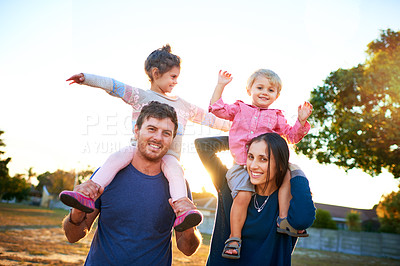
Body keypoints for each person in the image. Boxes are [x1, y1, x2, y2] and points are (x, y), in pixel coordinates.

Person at [59, 44, 230, 232]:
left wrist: (240, 127)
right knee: (116, 158)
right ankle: (89, 192)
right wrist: (86, 78)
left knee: (175, 171)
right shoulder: (140, 96)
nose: (175, 82)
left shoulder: (184, 106)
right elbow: (114, 85)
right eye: (173, 77)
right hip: (136, 152)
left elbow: (211, 120)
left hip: (169, 155)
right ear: (156, 73)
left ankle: (182, 208)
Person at [62, 101, 202, 265]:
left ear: (171, 139)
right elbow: (73, 236)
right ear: (136, 130)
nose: (157, 137)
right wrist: (77, 212)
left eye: (166, 133)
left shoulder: (178, 187)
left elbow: (187, 249)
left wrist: (189, 225)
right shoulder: (107, 175)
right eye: (152, 129)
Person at [208, 70, 313, 259]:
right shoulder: (240, 109)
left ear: (277, 96)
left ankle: (283, 220)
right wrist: (221, 85)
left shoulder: (276, 116)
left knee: (286, 177)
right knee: (244, 195)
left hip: (266, 167)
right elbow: (217, 108)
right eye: (260, 87)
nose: (265, 92)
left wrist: (301, 121)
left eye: (271, 90)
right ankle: (234, 238)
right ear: (249, 89)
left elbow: (291, 136)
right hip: (242, 165)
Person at [195, 134, 315, 265]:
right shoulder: (232, 186)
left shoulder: (287, 200)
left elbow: (302, 221)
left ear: (281, 165)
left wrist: (297, 171)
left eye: (263, 159)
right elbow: (203, 145)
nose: (253, 166)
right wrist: (243, 137)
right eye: (250, 157)